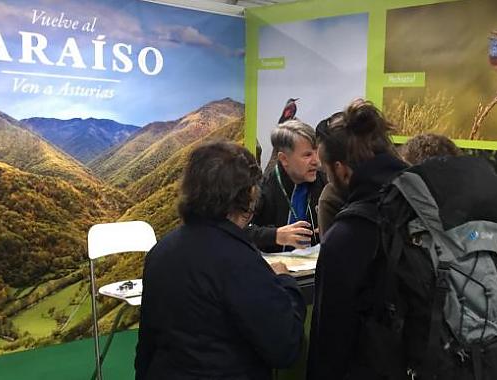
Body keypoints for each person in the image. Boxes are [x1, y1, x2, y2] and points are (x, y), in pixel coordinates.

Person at [135, 141, 306, 380]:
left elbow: (147, 347)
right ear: (247, 195)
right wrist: (285, 283)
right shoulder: (240, 261)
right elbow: (285, 348)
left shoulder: (161, 251)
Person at [307, 100, 407, 380]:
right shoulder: (423, 202)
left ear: (341, 170)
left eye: (326, 169)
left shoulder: (347, 236)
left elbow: (329, 342)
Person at [248, 120, 325, 252]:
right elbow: (238, 230)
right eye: (307, 155)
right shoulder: (262, 188)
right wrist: (275, 235)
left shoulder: (324, 181)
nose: (316, 161)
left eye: (316, 152)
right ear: (284, 159)